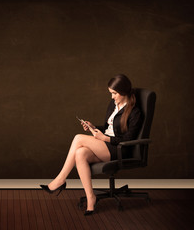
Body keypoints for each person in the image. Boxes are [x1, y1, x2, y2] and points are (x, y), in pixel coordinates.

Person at [40, 74, 143, 216]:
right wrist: (93, 126)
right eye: (111, 93)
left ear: (123, 92)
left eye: (114, 93)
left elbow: (128, 138)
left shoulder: (135, 112)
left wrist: (104, 138)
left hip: (119, 149)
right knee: (80, 153)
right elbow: (108, 127)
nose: (112, 97)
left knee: (78, 138)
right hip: (105, 144)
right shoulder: (113, 105)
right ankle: (91, 198)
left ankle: (60, 180)